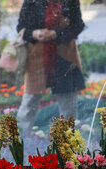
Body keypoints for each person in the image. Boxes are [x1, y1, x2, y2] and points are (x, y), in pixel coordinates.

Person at [16, 0, 85, 136]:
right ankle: (18, 142)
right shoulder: (32, 1)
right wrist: (35, 34)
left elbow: (78, 26)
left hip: (65, 57)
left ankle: (68, 144)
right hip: (37, 56)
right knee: (29, 101)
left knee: (68, 103)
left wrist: (55, 34)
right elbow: (21, 28)